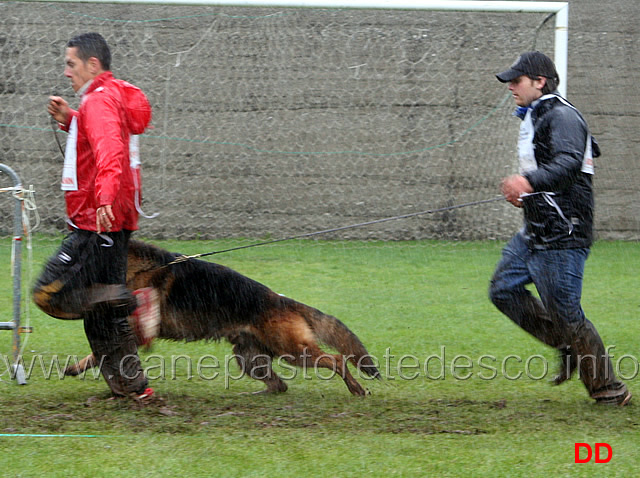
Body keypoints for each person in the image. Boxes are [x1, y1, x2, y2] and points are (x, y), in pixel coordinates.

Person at [488, 51, 631, 406]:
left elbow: (568, 164)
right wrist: (527, 191)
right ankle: (567, 344)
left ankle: (608, 389)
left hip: (563, 234)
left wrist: (528, 181)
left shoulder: (563, 116)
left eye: (517, 80)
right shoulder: (538, 115)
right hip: (536, 230)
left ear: (540, 82)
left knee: (567, 314)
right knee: (503, 290)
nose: (510, 86)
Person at [33, 32, 156, 401]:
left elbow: (109, 152)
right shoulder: (103, 100)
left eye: (71, 64)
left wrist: (102, 199)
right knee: (102, 314)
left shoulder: (100, 100)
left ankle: (136, 302)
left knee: (47, 292)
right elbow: (100, 137)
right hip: (111, 218)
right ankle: (134, 390)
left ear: (93, 65)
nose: (66, 72)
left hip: (95, 218)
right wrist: (70, 118)